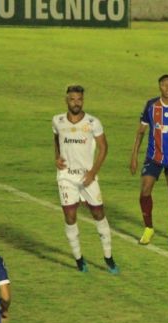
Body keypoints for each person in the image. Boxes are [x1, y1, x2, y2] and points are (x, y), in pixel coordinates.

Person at [53, 84, 118, 274]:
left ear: (83, 100)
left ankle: (108, 258)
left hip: (87, 177)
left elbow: (104, 147)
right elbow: (56, 139)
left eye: (79, 99)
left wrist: (92, 173)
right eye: (72, 99)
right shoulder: (57, 120)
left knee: (99, 214)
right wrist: (56, 158)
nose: (76, 103)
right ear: (67, 100)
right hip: (66, 177)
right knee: (70, 216)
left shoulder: (93, 122)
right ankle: (79, 259)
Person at [130, 74, 168, 248]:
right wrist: (134, 155)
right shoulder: (151, 106)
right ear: (159, 87)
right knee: (144, 191)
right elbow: (141, 131)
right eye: (164, 85)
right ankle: (148, 228)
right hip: (154, 157)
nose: (167, 88)